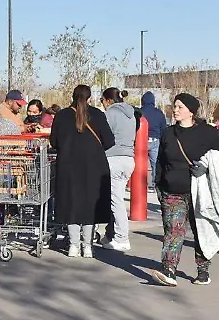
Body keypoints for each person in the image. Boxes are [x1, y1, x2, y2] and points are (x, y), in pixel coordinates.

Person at [152, 93, 219, 287]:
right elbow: (160, 161)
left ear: (191, 111)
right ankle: (169, 270)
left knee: (200, 231)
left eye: (179, 107)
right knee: (173, 231)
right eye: (174, 106)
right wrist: (159, 184)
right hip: (172, 192)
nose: (175, 110)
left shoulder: (207, 132)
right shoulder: (168, 133)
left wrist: (205, 166)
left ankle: (203, 270)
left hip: (199, 193)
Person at [50, 85, 115, 259]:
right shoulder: (98, 115)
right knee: (89, 206)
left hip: (68, 166)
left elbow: (54, 142)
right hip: (94, 166)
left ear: (72, 96)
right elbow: (109, 141)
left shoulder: (61, 115)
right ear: (89, 98)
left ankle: (73, 246)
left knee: (71, 205)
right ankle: (87, 247)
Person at [99, 88, 136, 252]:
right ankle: (112, 234)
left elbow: (103, 136)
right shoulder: (132, 114)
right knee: (117, 198)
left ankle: (122, 238)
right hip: (128, 158)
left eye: (102, 101)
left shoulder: (110, 114)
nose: (102, 104)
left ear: (108, 100)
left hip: (113, 158)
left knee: (116, 201)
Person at [141, 92, 167, 188]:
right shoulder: (159, 113)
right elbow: (163, 128)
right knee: (155, 164)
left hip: (141, 141)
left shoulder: (139, 112)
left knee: (140, 164)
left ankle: (140, 183)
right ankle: (154, 184)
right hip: (155, 140)